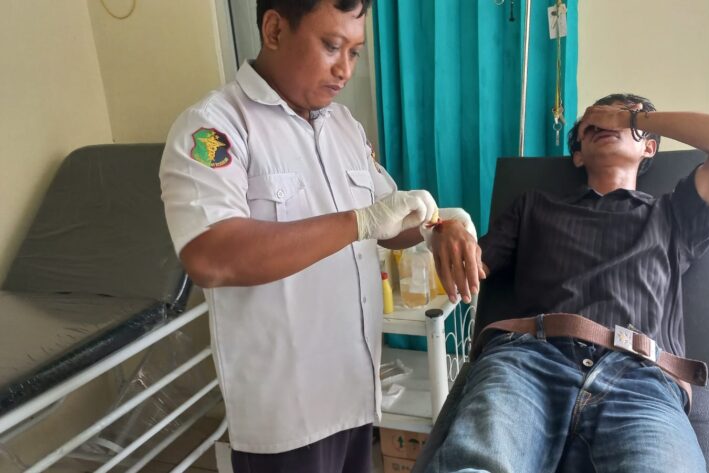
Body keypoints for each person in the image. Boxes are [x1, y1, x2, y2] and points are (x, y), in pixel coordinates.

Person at [158, 1, 482, 471]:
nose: (345, 69)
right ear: (274, 30)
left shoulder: (343, 126)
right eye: (331, 46)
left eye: (354, 52)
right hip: (287, 414)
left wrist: (440, 224)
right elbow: (211, 256)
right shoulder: (215, 127)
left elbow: (390, 221)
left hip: (354, 391)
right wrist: (359, 223)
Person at [418, 93, 709, 473]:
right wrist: (444, 228)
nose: (604, 122)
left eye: (623, 117)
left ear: (649, 147)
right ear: (578, 155)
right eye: (592, 124)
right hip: (529, 360)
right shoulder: (534, 207)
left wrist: (633, 119)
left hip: (640, 377)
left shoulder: (674, 214)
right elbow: (470, 265)